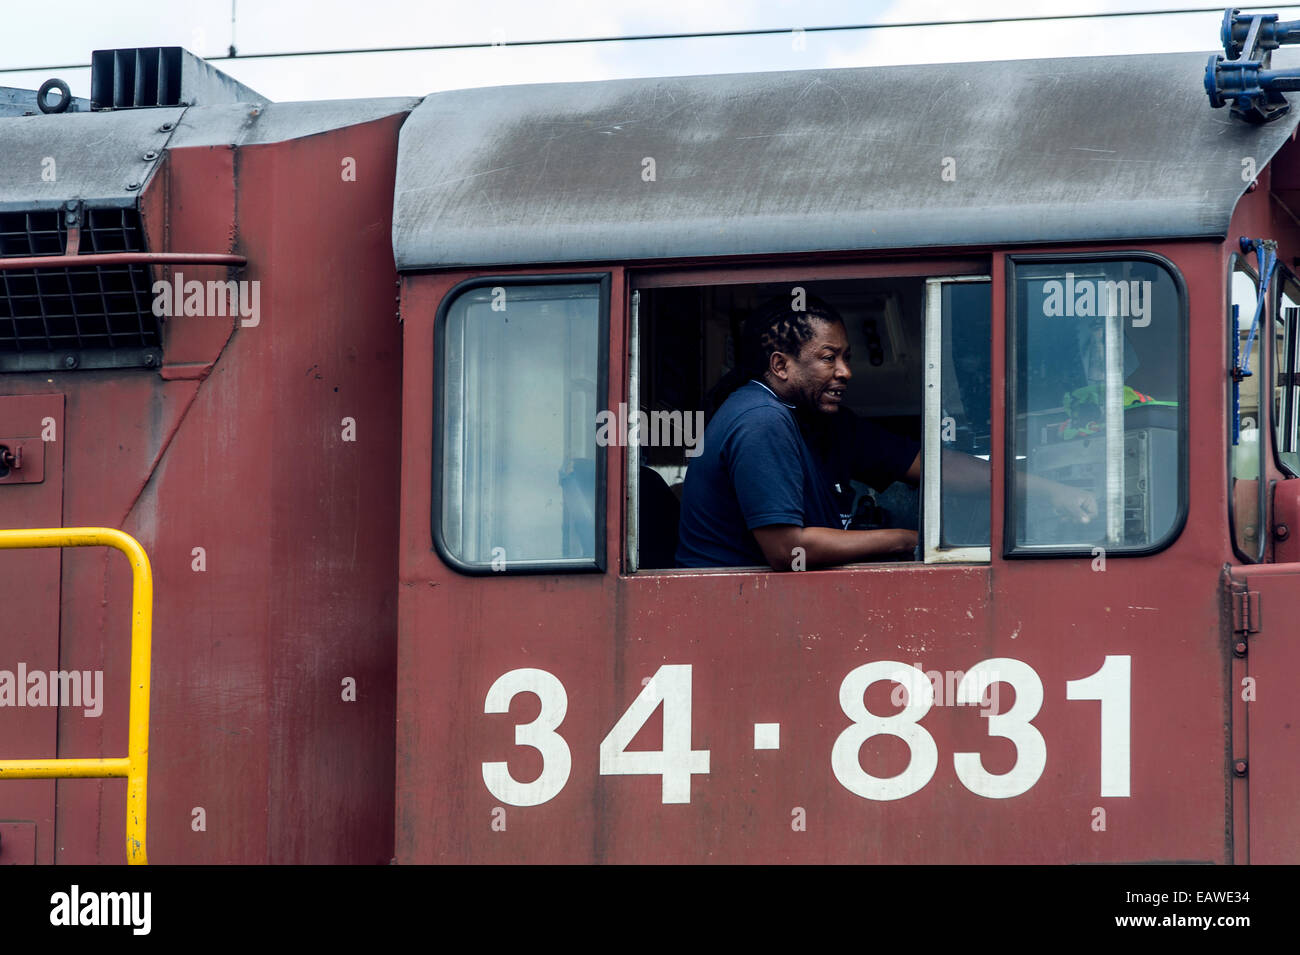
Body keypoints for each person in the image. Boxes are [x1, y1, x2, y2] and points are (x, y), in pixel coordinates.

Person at [676, 295, 1095, 570]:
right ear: (781, 365)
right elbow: (789, 549)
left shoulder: (827, 422)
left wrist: (1046, 489)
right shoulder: (760, 419)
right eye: (829, 358)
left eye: (846, 357)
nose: (845, 371)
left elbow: (936, 468)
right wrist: (908, 541)